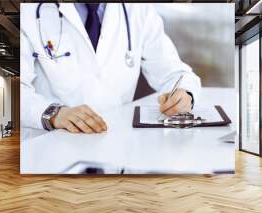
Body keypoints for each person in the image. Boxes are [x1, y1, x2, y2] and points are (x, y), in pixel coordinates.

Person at [20, 3, 201, 133]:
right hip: (50, 143)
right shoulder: (29, 13)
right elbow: (16, 90)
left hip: (114, 141)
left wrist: (184, 95)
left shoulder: (139, 10)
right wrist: (54, 114)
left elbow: (175, 73)